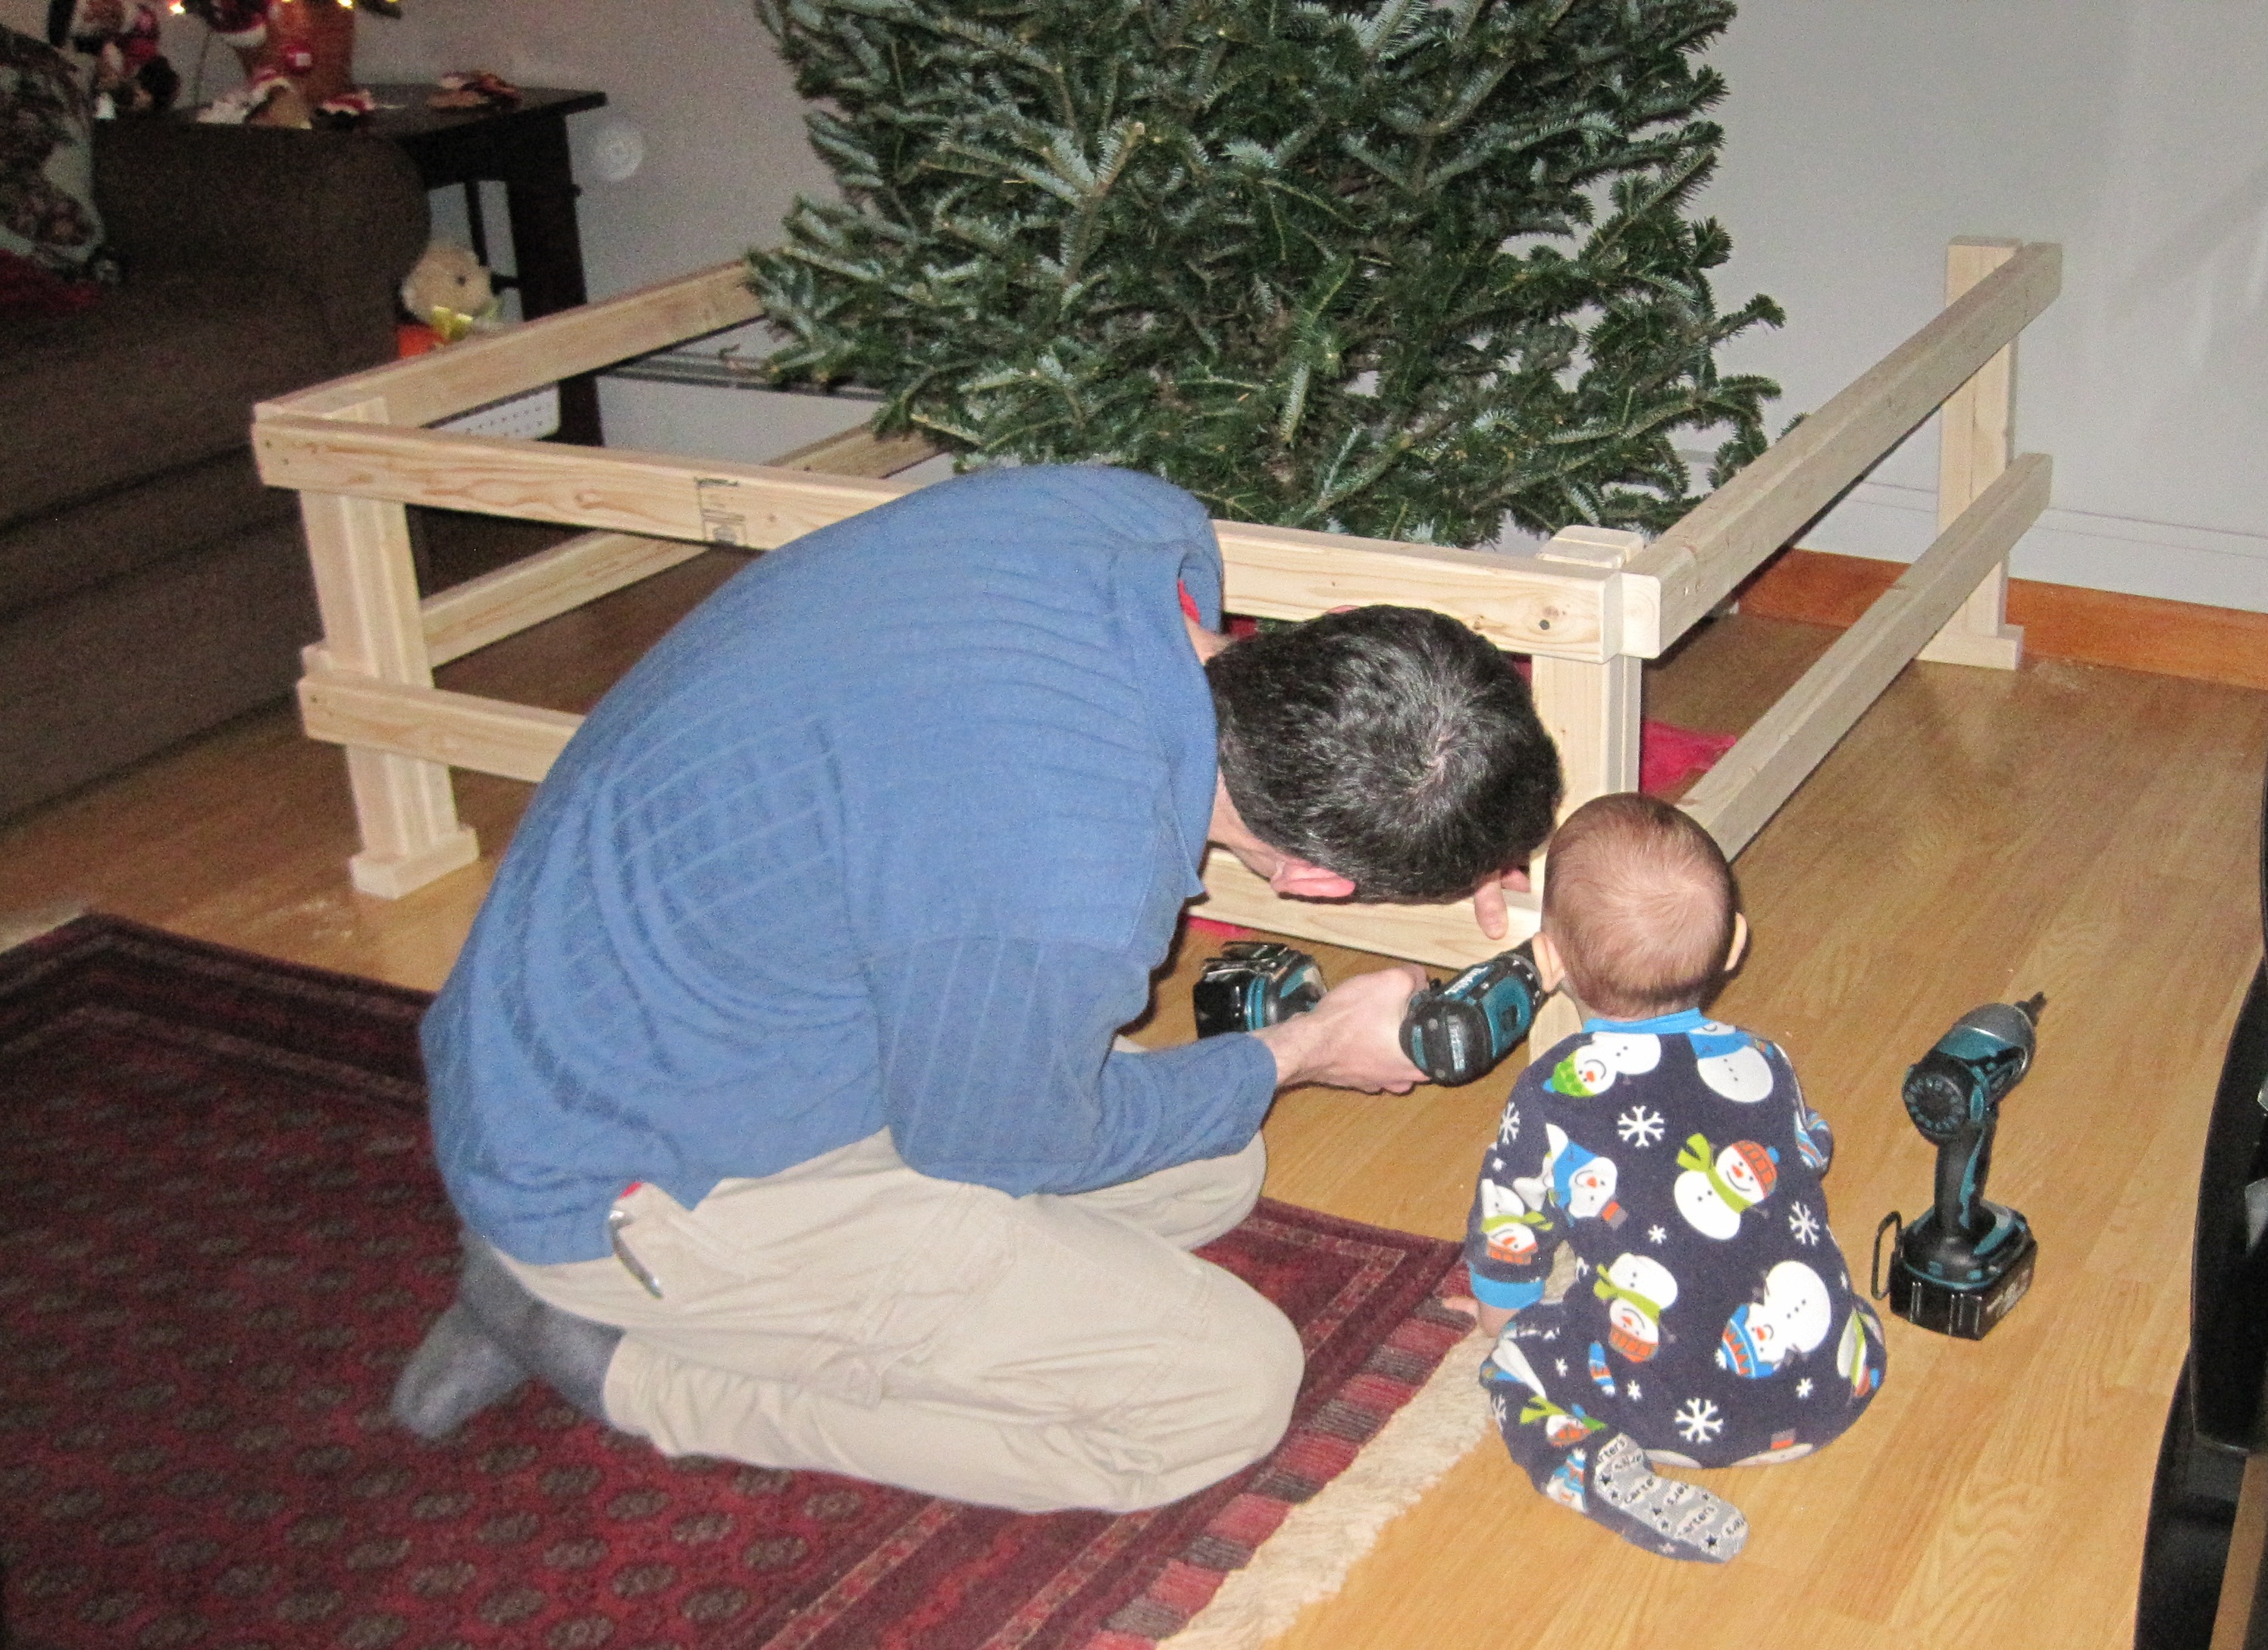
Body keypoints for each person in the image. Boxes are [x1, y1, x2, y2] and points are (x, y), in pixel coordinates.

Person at [392, 463, 1560, 1514]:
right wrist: (1301, 1048)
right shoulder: (1060, 872)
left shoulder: (1128, 526)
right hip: (619, 1169)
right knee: (1224, 1388)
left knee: (1214, 1165)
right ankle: (605, 1350)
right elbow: (998, 1144)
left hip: (635, 1004)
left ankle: (778, 1294)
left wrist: (1467, 826)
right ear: (1310, 879)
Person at [1464, 793, 1886, 1563]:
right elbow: (1808, 1149)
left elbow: (1509, 1229)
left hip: (1660, 1411)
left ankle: (1589, 1467)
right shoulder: (1763, 1061)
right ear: (1735, 945)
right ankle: (1818, 1366)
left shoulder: (1553, 1091)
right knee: (1833, 1298)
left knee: (1512, 1369)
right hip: (1832, 1392)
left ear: (1549, 960)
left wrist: (1506, 1322)